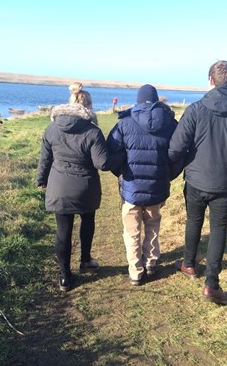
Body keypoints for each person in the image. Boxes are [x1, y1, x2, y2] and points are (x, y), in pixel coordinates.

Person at [168, 60, 227, 305]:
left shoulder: (196, 110)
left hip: (197, 179)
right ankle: (210, 283)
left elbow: (176, 147)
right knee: (219, 229)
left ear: (210, 80)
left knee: (194, 220)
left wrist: (179, 167)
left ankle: (189, 264)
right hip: (224, 182)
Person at [37, 100, 122, 292]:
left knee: (63, 230)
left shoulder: (51, 129)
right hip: (85, 187)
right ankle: (85, 260)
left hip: (59, 186)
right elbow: (103, 163)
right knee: (87, 220)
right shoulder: (92, 131)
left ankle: (64, 276)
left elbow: (45, 158)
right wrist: (122, 157)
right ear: (85, 113)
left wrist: (41, 179)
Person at [107, 84, 178, 286]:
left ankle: (136, 272)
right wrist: (168, 175)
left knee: (131, 232)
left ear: (138, 100)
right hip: (158, 188)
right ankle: (151, 263)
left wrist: (121, 172)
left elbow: (109, 152)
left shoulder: (124, 123)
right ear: (156, 100)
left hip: (131, 189)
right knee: (153, 226)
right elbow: (179, 153)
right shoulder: (171, 123)